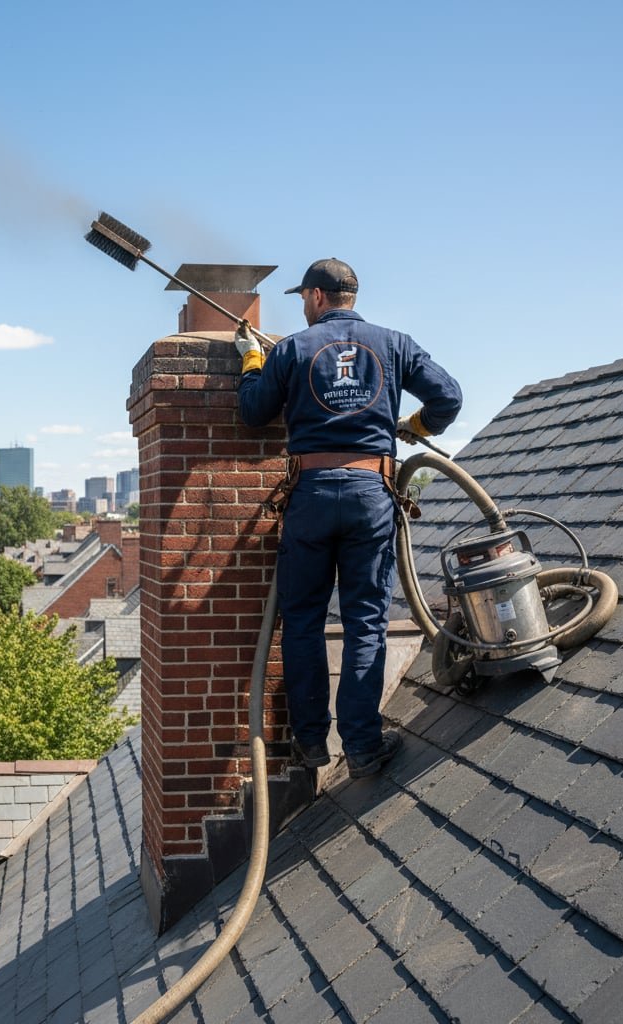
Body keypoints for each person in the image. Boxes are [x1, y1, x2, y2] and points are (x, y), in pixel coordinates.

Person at [236, 258, 462, 778]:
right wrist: (416, 424)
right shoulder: (394, 343)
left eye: (302, 299)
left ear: (317, 297)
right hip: (371, 493)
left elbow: (252, 412)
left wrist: (253, 359)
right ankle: (361, 746)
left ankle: (311, 743)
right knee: (365, 622)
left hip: (311, 495)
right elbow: (448, 397)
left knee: (303, 622)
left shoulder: (293, 348)